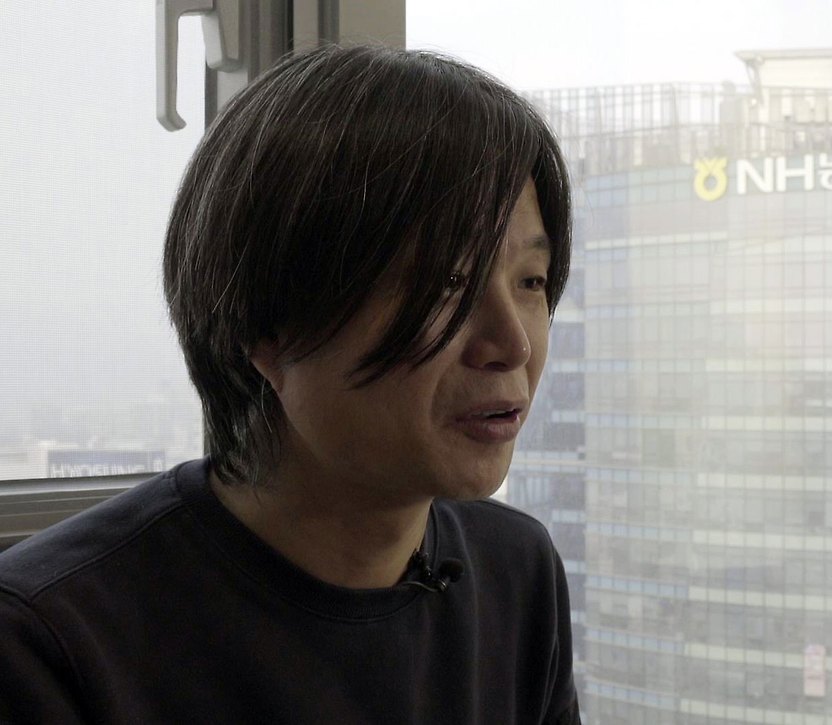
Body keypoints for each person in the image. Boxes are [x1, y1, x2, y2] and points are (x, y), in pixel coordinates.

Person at [0, 44, 579, 724]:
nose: (513, 345)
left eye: (530, 281)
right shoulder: (49, 642)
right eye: (446, 283)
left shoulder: (515, 570)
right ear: (266, 324)